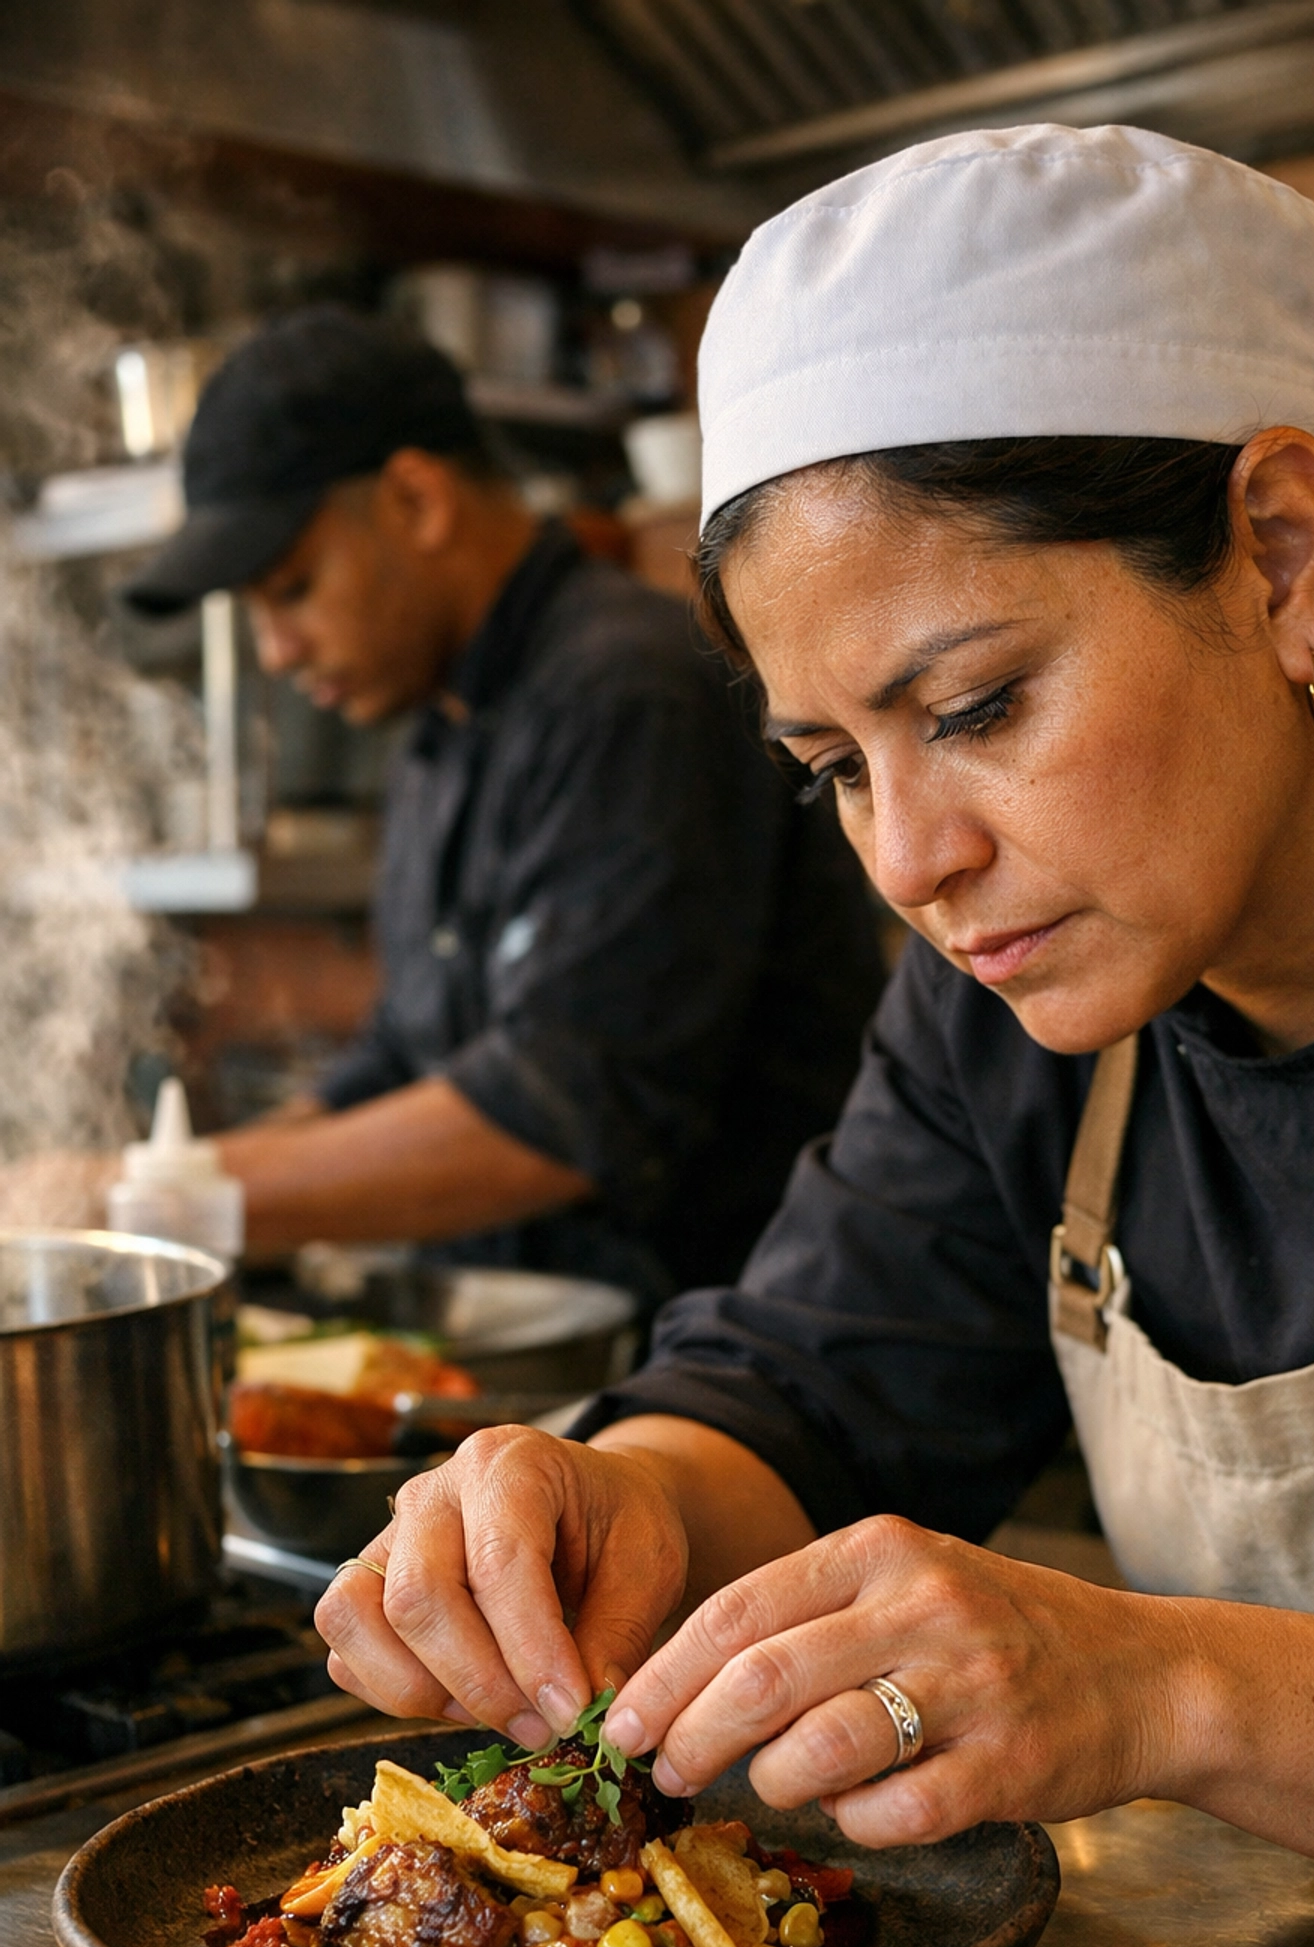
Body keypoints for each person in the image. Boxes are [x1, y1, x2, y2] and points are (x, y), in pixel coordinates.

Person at [316, 128, 1314, 1911]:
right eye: (833, 769)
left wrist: (1163, 1682)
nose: (914, 855)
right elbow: (815, 1373)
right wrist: (625, 1490)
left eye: (973, 705)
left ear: (1282, 553)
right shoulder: (1031, 978)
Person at [123, 307, 885, 1301]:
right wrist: (163, 1187)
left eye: (294, 588)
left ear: (415, 500)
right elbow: (409, 1051)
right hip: (506, 1358)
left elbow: (570, 1111)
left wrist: (153, 1202)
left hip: (708, 1359)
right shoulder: (442, 725)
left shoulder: (624, 691)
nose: (275, 651)